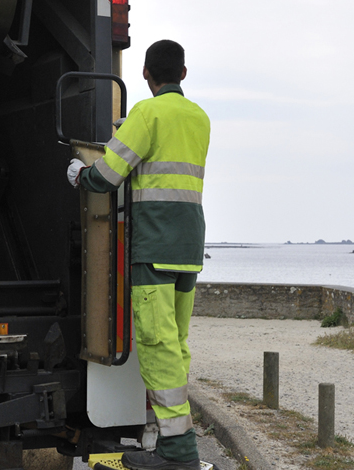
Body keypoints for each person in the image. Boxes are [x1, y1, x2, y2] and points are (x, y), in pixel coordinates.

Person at [66, 40, 210, 470]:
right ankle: (176, 439)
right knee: (177, 345)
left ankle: (178, 452)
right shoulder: (199, 118)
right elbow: (166, 158)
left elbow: (108, 176)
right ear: (183, 74)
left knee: (155, 343)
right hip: (188, 247)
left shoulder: (147, 115)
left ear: (146, 74)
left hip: (154, 246)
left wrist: (80, 175)